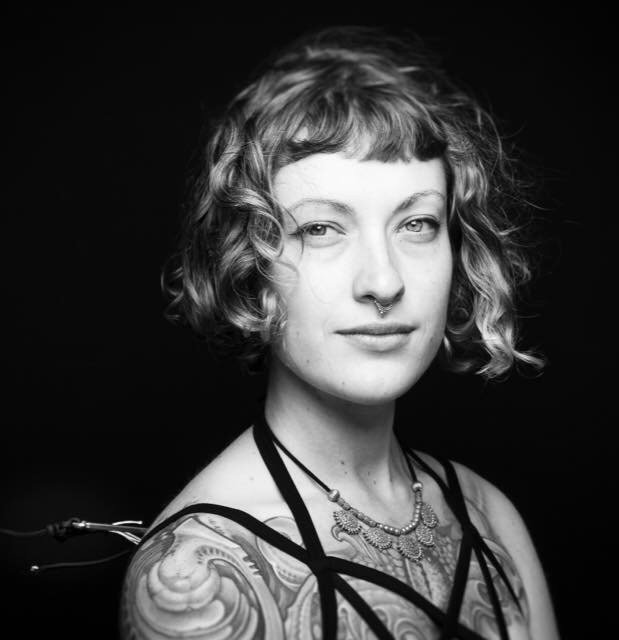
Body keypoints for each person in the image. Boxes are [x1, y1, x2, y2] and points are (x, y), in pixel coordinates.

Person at [119, 27, 559, 640]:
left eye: (417, 223)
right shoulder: (201, 576)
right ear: (250, 264)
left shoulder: (491, 519)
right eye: (322, 229)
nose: (383, 281)